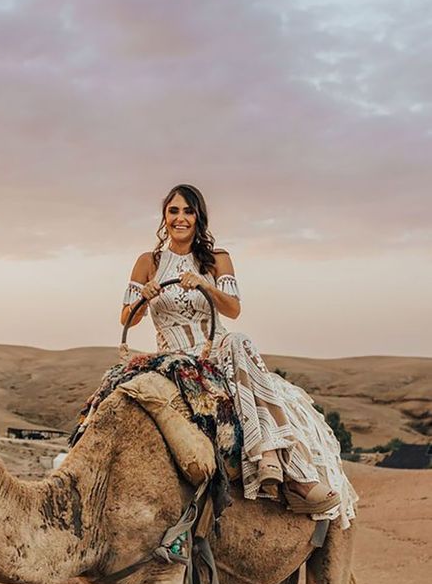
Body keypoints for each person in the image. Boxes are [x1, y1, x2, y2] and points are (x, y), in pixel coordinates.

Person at [121, 184, 357, 527]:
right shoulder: (148, 262)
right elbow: (127, 319)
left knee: (240, 341)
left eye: (188, 211)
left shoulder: (217, 259)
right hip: (171, 355)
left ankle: (278, 461)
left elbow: (233, 310)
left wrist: (205, 285)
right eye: (174, 211)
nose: (180, 218)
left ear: (199, 217)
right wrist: (143, 295)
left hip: (212, 348)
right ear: (164, 218)